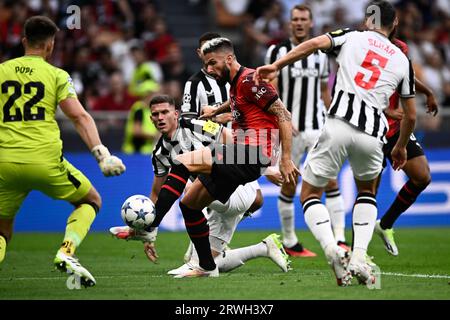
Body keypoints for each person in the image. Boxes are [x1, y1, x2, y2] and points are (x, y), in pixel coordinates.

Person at [254, 0, 417, 286]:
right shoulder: (403, 59)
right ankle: (358, 255)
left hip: (337, 124)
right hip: (372, 133)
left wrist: (277, 64)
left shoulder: (351, 36)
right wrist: (400, 146)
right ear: (394, 25)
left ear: (368, 21)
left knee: (308, 193)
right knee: (366, 191)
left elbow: (315, 43)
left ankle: (331, 248)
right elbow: (411, 116)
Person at [139, 37, 299, 278]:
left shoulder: (250, 80)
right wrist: (217, 110)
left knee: (184, 162)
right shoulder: (235, 85)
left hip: (254, 153)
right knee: (189, 204)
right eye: (206, 64)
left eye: (213, 63)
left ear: (230, 58)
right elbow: (236, 101)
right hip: (243, 153)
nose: (209, 70)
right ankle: (207, 266)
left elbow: (283, 115)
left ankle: (151, 225)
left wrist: (285, 159)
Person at [0, 16, 126, 287]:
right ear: (50, 46)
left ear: (24, 41)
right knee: (91, 200)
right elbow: (79, 117)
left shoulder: (1, 72)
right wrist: (101, 154)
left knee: (2, 230)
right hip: (46, 161)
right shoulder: (57, 75)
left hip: (5, 163)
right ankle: (66, 252)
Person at [110, 95, 290, 275]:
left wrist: (266, 168)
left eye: (165, 112)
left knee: (188, 186)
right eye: (155, 114)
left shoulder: (195, 124)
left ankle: (168, 239)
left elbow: (233, 141)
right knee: (210, 261)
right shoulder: (159, 153)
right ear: (151, 118)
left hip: (233, 188)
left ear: (176, 114)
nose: (160, 118)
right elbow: (156, 193)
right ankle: (264, 248)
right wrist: (149, 235)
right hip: (216, 199)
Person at [265, 4, 348, 257]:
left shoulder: (321, 55)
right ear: (289, 23)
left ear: (311, 23)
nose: (299, 23)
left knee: (331, 180)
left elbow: (324, 91)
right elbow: (271, 87)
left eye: (303, 19)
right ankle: (290, 241)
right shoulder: (276, 51)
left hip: (318, 126)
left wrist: (333, 115)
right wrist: (283, 117)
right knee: (289, 183)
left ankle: (340, 238)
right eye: (295, 19)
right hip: (290, 129)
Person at [374, 36, 438, 256]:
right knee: (368, 192)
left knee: (422, 176)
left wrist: (427, 91)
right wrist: (385, 109)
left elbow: (407, 77)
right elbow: (356, 88)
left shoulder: (400, 48)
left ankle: (385, 224)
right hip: (370, 127)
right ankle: (357, 254)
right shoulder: (364, 49)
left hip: (395, 128)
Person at [181, 32, 232, 125]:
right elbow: (187, 122)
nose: (210, 52)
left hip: (238, 138)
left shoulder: (235, 79)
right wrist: (214, 124)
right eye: (206, 49)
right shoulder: (194, 83)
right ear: (199, 53)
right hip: (210, 139)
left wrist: (230, 116)